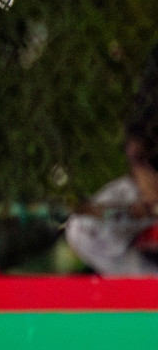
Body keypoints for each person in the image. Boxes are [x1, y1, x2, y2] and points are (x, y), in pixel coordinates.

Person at [66, 44, 158, 276]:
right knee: (83, 229)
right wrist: (150, 192)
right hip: (153, 183)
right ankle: (146, 289)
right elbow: (138, 142)